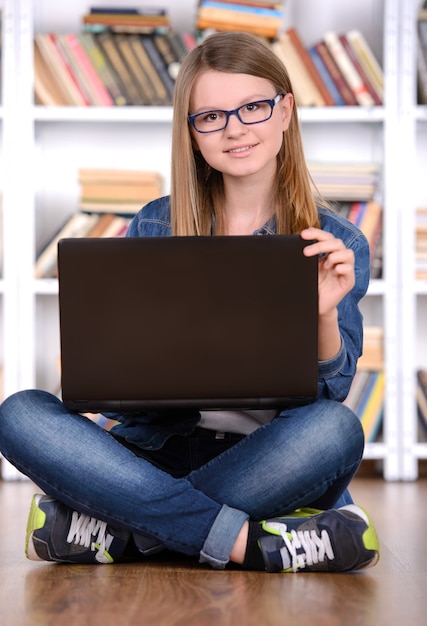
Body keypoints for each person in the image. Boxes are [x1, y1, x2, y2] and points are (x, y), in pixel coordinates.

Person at [0, 31, 379, 573]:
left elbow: (327, 397)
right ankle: (248, 544)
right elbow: (118, 406)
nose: (235, 129)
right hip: (153, 453)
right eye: (212, 117)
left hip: (267, 459)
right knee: (20, 414)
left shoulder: (336, 241)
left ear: (285, 111)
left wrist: (320, 314)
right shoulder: (155, 222)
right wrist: (115, 371)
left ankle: (126, 533)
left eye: (252, 107)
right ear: (193, 133)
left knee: (337, 430)